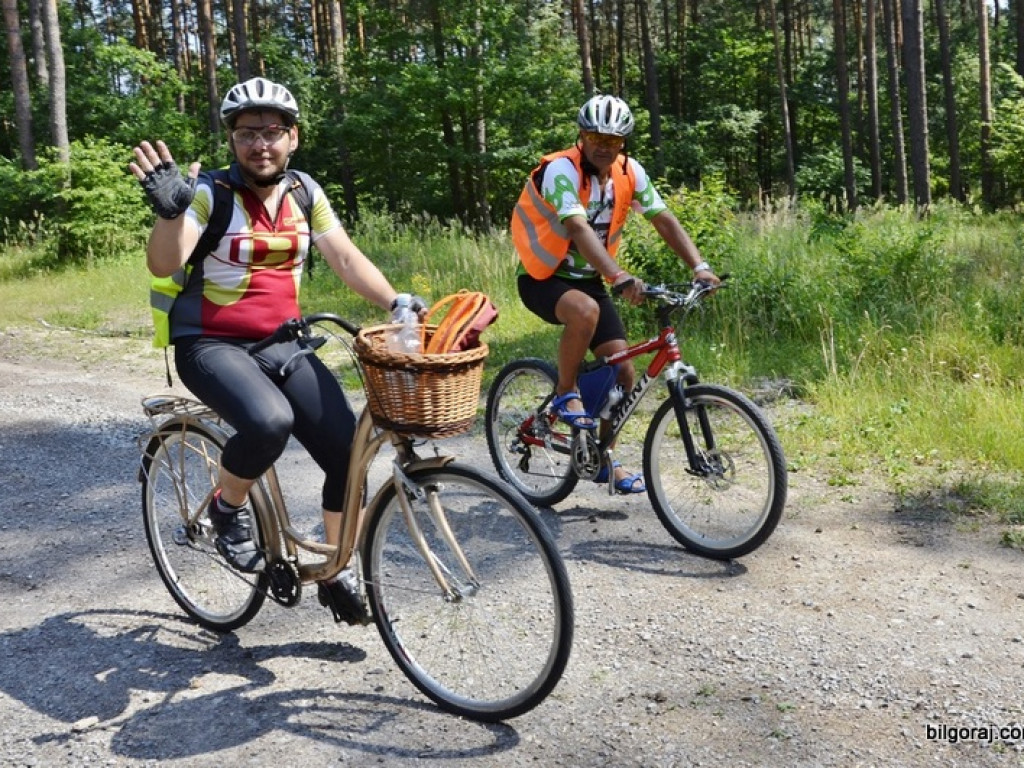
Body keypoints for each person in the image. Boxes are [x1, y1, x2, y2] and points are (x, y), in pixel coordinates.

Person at [129, 77, 425, 625]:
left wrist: (395, 300)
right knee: (269, 422)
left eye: (272, 131)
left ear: (293, 137)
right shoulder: (207, 193)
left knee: (347, 452)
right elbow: (163, 264)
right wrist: (169, 212)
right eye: (247, 133)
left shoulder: (304, 192)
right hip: (209, 342)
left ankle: (336, 571)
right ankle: (227, 506)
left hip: (282, 343)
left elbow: (344, 257)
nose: (260, 143)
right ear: (232, 140)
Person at [511, 94, 719, 494]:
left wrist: (700, 266)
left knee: (623, 373)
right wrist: (618, 275)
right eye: (595, 136)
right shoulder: (560, 170)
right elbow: (577, 228)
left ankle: (601, 455)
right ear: (581, 135)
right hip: (543, 277)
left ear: (624, 142)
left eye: (615, 140)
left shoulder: (630, 172)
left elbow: (663, 218)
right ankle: (565, 393)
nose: (604, 146)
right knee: (585, 311)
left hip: (590, 279)